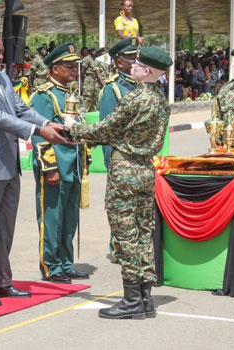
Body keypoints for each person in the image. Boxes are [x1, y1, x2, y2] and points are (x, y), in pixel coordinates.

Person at [0, 32, 67, 306]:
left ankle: (2, 281)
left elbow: (19, 108)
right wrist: (37, 131)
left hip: (8, 162)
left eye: (1, 52)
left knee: (5, 227)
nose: (0, 57)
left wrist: (48, 123)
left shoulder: (2, 77)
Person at [64, 46, 173, 320]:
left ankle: (132, 299)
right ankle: (145, 297)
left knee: (126, 235)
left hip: (125, 168)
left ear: (146, 70)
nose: (132, 66)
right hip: (145, 168)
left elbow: (106, 128)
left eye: (137, 63)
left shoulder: (136, 99)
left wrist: (72, 127)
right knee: (143, 232)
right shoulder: (160, 99)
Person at [30, 42, 88, 284]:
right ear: (54, 68)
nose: (74, 69)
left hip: (74, 165)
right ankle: (51, 265)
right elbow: (38, 133)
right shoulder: (44, 95)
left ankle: (65, 262)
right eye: (69, 65)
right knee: (52, 219)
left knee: (68, 219)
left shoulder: (70, 93)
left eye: (75, 65)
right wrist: (50, 167)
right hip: (56, 166)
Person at [98, 37, 139, 261]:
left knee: (137, 206)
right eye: (130, 58)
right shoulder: (112, 89)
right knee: (121, 206)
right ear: (119, 61)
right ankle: (119, 247)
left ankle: (134, 244)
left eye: (136, 57)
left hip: (139, 157)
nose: (135, 62)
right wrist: (111, 161)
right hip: (120, 157)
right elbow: (107, 128)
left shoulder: (139, 85)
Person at [82, 47, 102, 111]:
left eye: (94, 50)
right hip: (89, 79)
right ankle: (84, 112)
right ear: (89, 52)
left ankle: (91, 112)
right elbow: (83, 71)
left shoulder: (95, 59)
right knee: (87, 97)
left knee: (94, 97)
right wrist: (82, 81)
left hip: (95, 79)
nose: (94, 52)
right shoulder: (87, 59)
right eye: (92, 50)